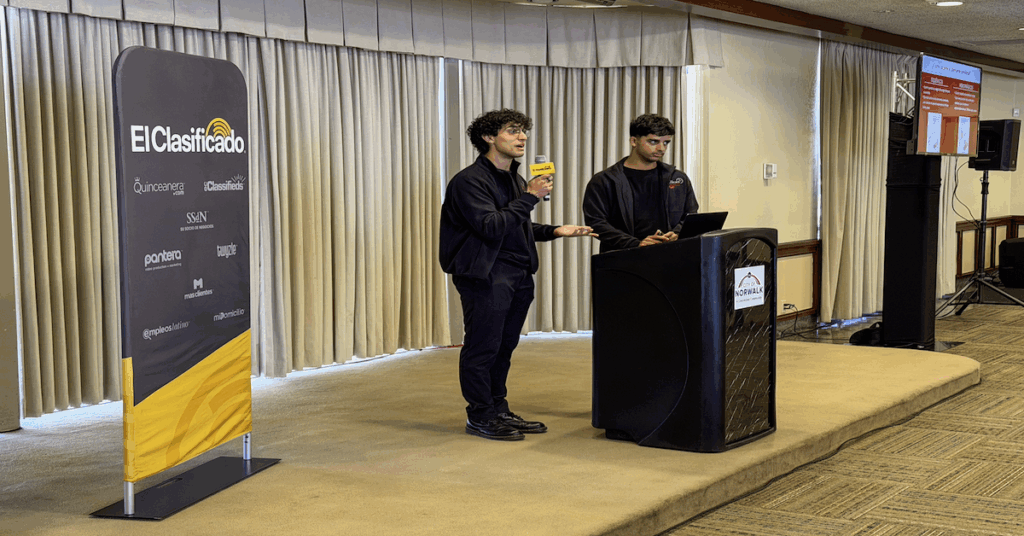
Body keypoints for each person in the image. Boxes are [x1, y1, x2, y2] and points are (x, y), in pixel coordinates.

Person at [439, 109, 596, 441]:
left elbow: (515, 225)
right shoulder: (469, 182)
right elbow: (491, 226)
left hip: (518, 272)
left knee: (504, 346)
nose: (522, 136)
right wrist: (529, 197)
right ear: (488, 137)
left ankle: (498, 409)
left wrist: (555, 230)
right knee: (483, 347)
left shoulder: (514, 178)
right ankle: (480, 415)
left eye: (523, 130)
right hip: (485, 274)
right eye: (512, 130)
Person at [582, 113, 698, 254]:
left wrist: (677, 233)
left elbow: (691, 214)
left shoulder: (678, 178)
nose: (661, 148)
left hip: (671, 257)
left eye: (666, 143)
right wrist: (635, 244)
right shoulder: (604, 180)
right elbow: (596, 223)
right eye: (653, 142)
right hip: (622, 259)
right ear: (633, 141)